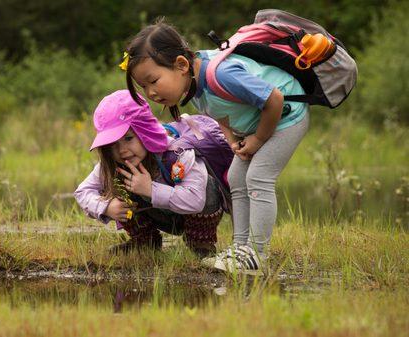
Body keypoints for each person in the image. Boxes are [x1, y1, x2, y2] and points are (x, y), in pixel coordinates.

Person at [123, 19, 310, 275]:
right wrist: (232, 138)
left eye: (153, 80)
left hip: (287, 117)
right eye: (143, 87)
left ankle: (258, 254)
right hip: (258, 126)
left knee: (258, 177)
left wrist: (257, 140)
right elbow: (220, 112)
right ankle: (240, 248)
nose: (150, 92)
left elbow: (274, 99)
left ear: (181, 65)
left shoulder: (220, 74)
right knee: (236, 177)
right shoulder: (193, 84)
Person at [75, 90, 227, 257]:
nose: (122, 150)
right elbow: (83, 192)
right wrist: (106, 207)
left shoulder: (177, 152)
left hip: (192, 213)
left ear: (145, 131)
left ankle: (201, 245)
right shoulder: (115, 163)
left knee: (208, 185)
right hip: (159, 214)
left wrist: (150, 189)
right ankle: (145, 241)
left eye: (128, 138)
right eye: (112, 145)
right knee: (115, 180)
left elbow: (196, 200)